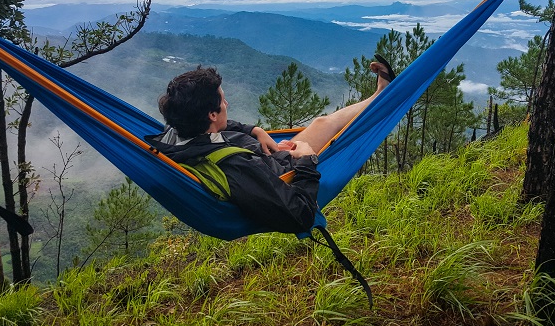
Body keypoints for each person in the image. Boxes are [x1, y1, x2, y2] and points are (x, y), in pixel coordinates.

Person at [146, 57, 394, 233]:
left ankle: (379, 95)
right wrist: (306, 161)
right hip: (288, 174)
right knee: (327, 126)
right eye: (222, 100)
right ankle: (383, 97)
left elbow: (219, 129)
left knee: (321, 122)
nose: (227, 104)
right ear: (212, 114)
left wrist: (254, 131)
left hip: (269, 157)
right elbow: (300, 216)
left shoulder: (178, 131)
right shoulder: (238, 169)